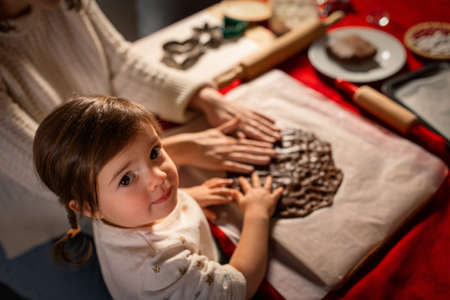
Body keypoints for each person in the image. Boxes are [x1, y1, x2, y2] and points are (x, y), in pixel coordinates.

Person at [0, 0, 280, 254]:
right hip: (48, 219)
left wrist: (203, 99)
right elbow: (52, 172)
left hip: (108, 176)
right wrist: (174, 152)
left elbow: (120, 64)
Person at [33, 95, 284, 300]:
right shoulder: (164, 267)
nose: (159, 176)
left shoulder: (109, 211)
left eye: (154, 152)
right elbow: (239, 286)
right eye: (126, 179)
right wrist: (256, 215)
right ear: (88, 207)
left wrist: (186, 198)